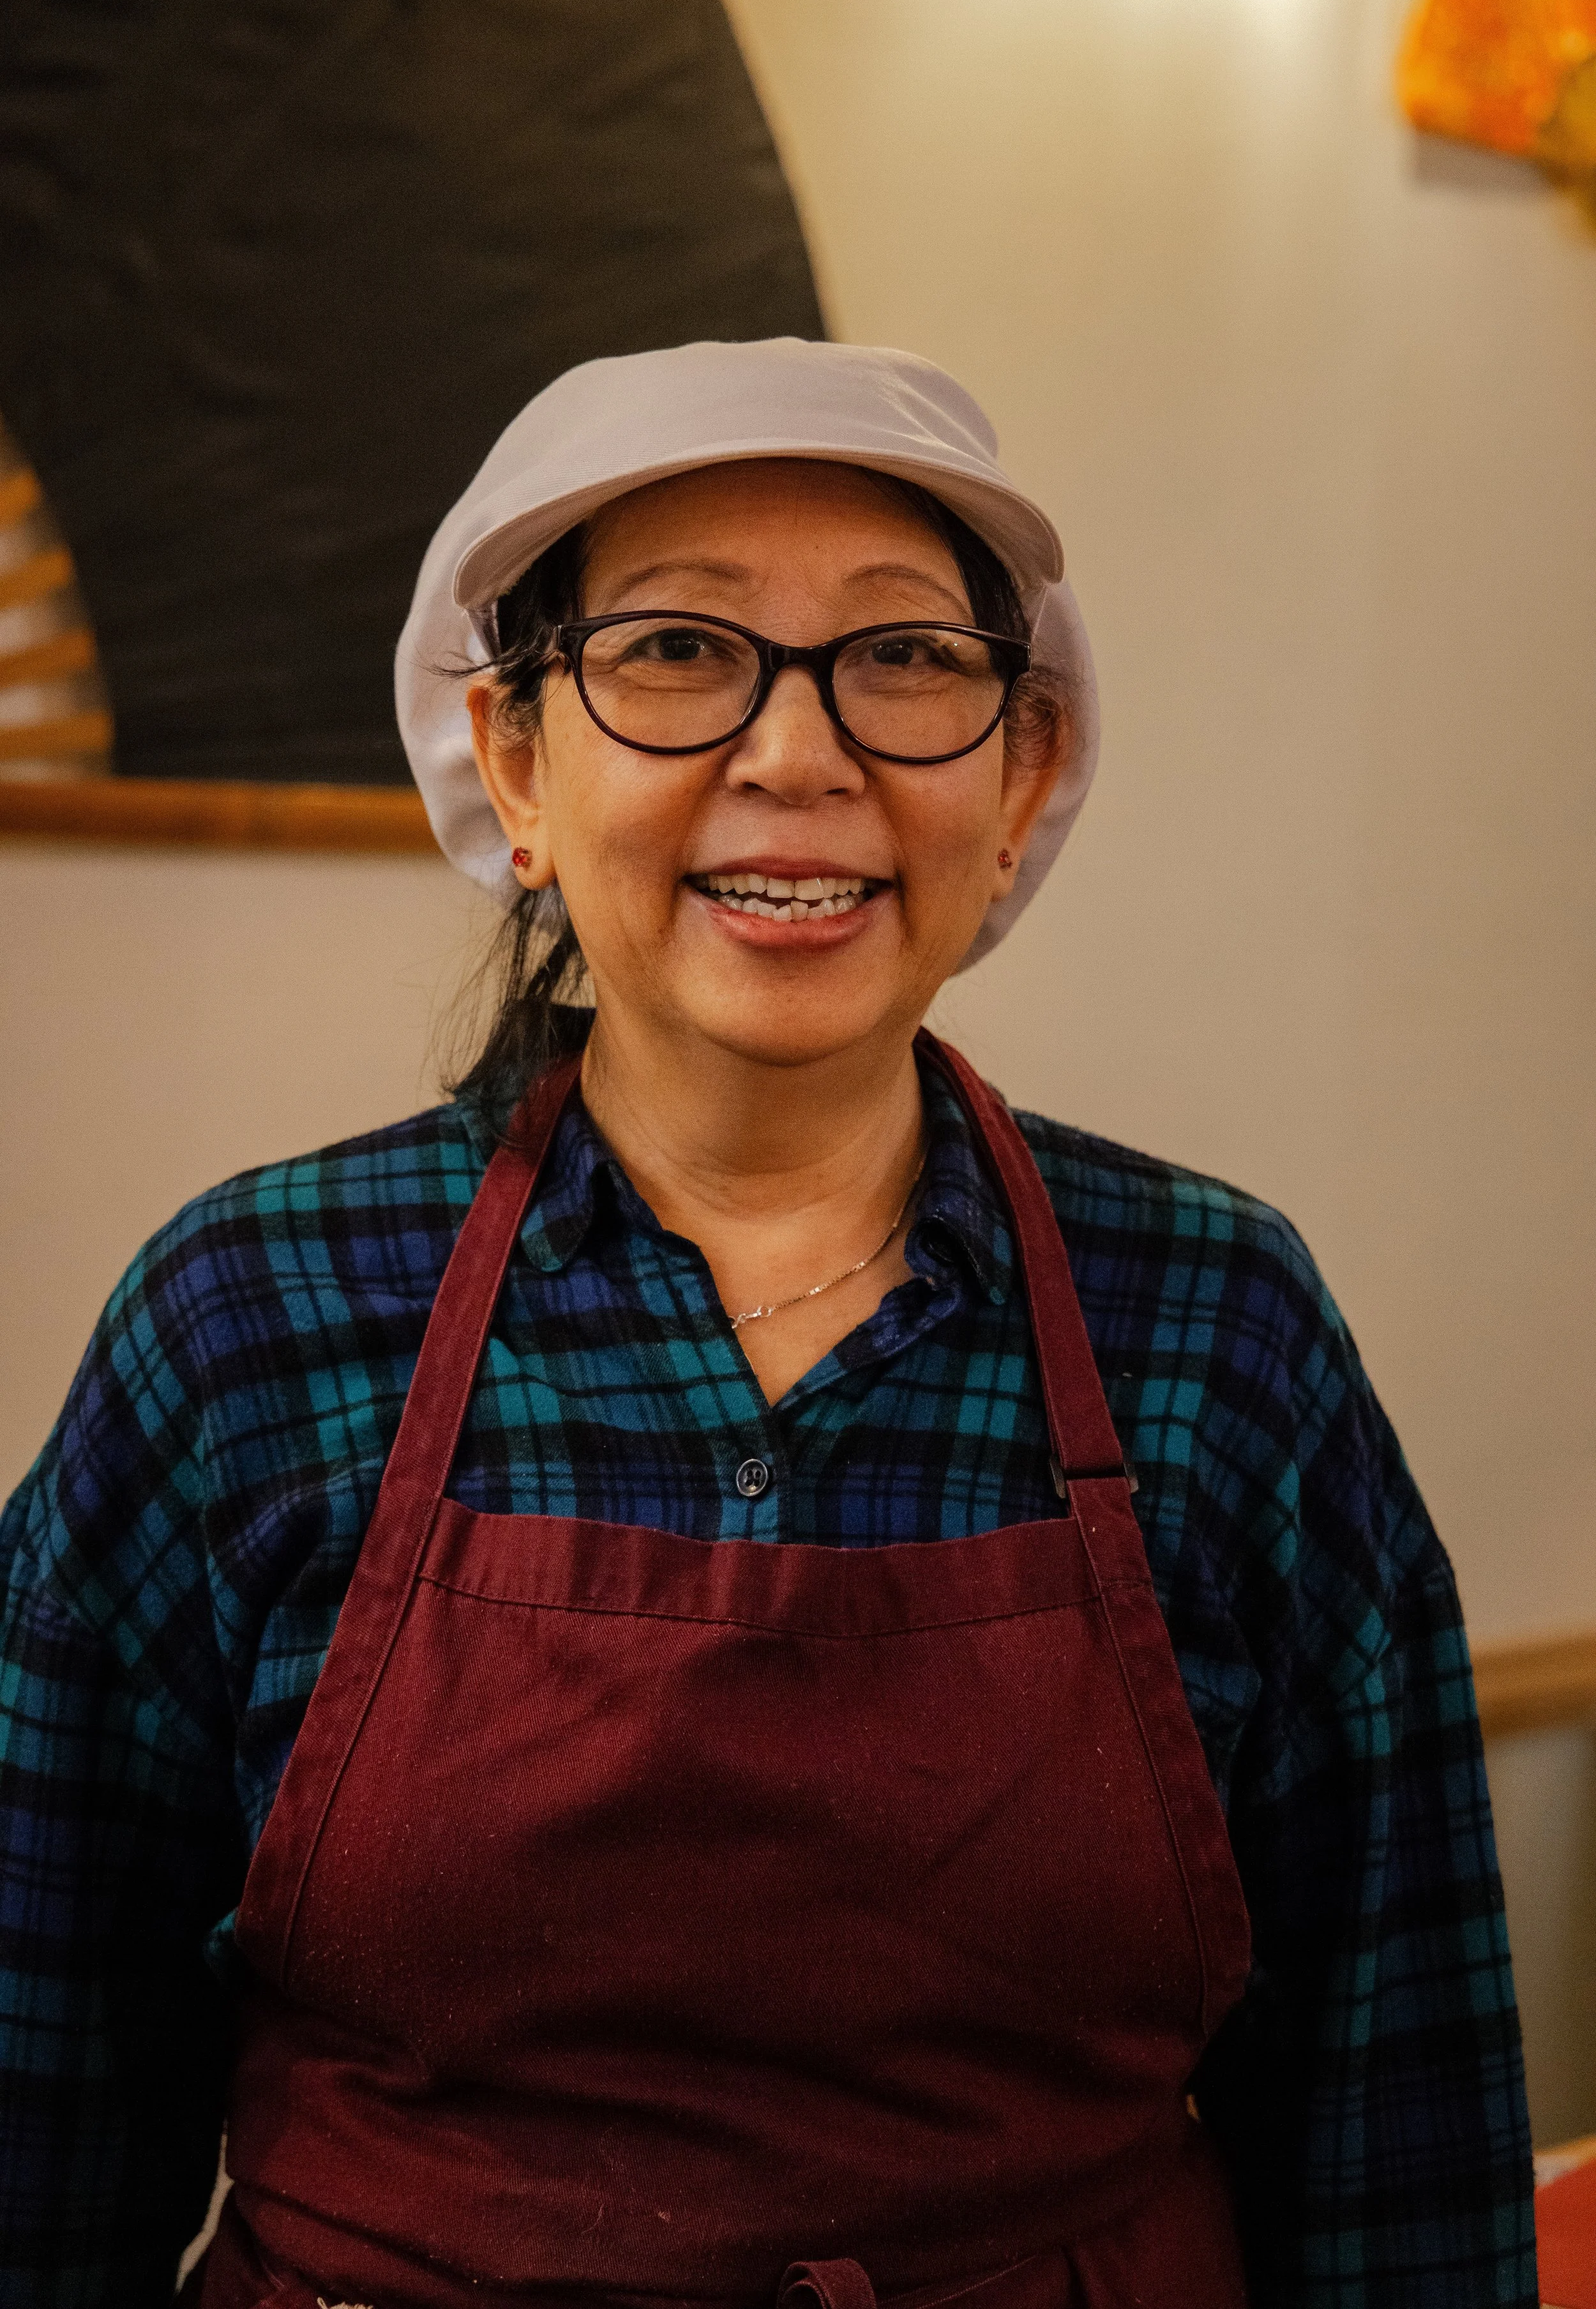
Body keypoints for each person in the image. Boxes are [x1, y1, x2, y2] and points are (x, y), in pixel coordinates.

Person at [0, 340, 1535, 2309]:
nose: (799, 756)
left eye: (904, 659)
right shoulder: (252, 1318)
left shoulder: (1219, 1322)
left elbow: (1391, 2111)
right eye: (673, 652)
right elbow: (42, 2090)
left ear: (1022, 771)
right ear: (516, 760)